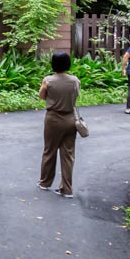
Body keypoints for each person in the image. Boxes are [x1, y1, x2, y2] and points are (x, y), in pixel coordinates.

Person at [37, 52, 81, 198]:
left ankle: (45, 182)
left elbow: (42, 96)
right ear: (68, 64)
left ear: (53, 64)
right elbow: (76, 96)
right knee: (68, 154)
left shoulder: (48, 80)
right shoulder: (75, 80)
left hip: (53, 118)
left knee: (49, 151)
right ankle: (66, 188)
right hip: (70, 119)